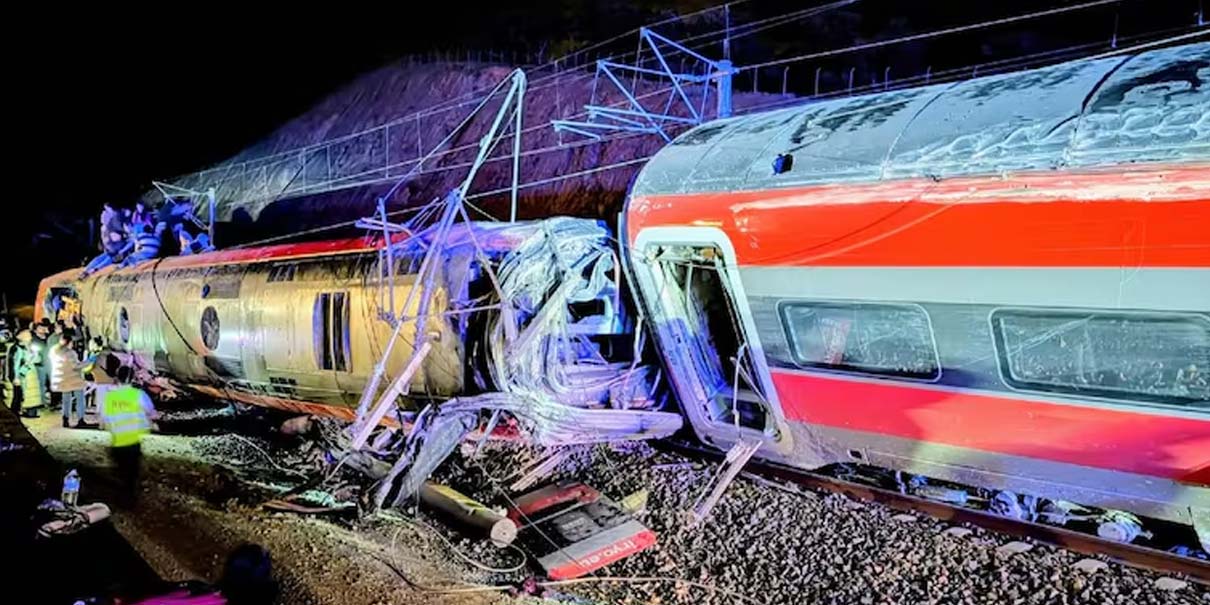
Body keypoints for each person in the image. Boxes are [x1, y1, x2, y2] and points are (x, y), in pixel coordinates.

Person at [100, 365, 156, 506]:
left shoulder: (109, 397)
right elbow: (151, 411)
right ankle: (129, 499)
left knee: (121, 472)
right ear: (132, 378)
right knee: (131, 474)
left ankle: (121, 497)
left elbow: (104, 420)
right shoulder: (138, 395)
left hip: (117, 442)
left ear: (117, 378)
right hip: (133, 442)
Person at [50, 328, 91, 428]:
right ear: (69, 342)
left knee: (66, 400)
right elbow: (76, 366)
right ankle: (80, 419)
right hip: (73, 379)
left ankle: (65, 419)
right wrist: (89, 361)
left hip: (62, 380)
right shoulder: (70, 353)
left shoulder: (54, 351)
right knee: (80, 399)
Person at [11, 330, 42, 417]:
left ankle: (31, 410)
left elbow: (38, 359)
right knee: (26, 392)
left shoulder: (30, 347)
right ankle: (21, 409)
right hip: (25, 374)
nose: (30, 337)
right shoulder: (19, 349)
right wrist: (16, 377)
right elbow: (16, 364)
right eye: (27, 335)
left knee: (33, 392)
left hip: (32, 373)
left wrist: (35, 356)